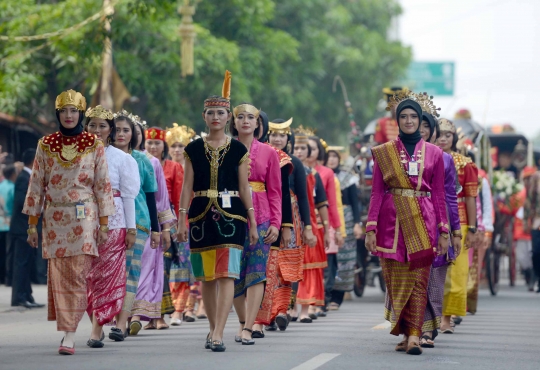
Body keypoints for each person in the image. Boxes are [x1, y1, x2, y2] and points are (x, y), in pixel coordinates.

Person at [23, 90, 115, 355]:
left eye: (74, 111)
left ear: (80, 114)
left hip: (85, 217)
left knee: (77, 274)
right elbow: (36, 185)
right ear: (57, 114)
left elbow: (102, 185)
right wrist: (32, 223)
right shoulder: (45, 144)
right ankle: (68, 329)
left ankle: (69, 336)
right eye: (64, 111)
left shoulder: (94, 144)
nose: (69, 115)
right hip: (53, 219)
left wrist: (105, 223)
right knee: (60, 276)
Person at [177, 71, 258, 352]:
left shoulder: (238, 150)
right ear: (204, 116)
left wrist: (253, 221)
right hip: (199, 216)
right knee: (206, 277)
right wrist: (181, 218)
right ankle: (213, 328)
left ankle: (219, 332)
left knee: (227, 275)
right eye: (211, 112)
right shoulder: (192, 149)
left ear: (228, 118)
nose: (216, 117)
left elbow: (244, 187)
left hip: (232, 217)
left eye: (221, 113)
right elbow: (186, 185)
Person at [365, 91, 449, 355]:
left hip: (424, 221)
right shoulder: (384, 153)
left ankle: (414, 335)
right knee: (396, 279)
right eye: (404, 116)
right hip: (390, 224)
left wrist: (444, 229)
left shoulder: (435, 153)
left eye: (414, 116)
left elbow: (438, 194)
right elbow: (377, 192)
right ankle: (404, 331)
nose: (410, 120)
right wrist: (371, 227)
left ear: (420, 119)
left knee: (419, 280)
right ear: (397, 120)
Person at [84, 105, 140, 348]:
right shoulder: (75, 154)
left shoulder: (122, 159)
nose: (97, 130)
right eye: (92, 125)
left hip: (115, 221)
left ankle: (96, 330)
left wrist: (131, 228)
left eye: (102, 126)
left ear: (110, 131)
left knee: (106, 275)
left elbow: (128, 196)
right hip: (82, 221)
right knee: (87, 276)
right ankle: (96, 319)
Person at [230, 103, 282, 344]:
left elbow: (275, 191)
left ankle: (250, 327)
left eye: (251, 117)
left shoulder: (270, 152)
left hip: (261, 219)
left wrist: (276, 223)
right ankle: (241, 321)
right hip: (231, 216)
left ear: (258, 123)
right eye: (240, 117)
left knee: (256, 272)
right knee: (232, 274)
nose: (245, 121)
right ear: (234, 121)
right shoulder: (225, 149)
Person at [110, 111, 160, 341]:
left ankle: (121, 323)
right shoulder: (101, 156)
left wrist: (157, 229)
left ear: (134, 134)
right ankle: (106, 318)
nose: (121, 134)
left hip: (138, 223)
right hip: (107, 222)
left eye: (126, 130)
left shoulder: (143, 160)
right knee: (110, 273)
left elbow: (151, 197)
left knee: (130, 273)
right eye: (117, 129)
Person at [265, 118, 316, 329]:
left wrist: (308, 227)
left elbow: (303, 198)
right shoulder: (261, 158)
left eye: (282, 135)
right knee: (268, 267)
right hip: (266, 215)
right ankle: (266, 313)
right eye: (274, 135)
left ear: (289, 139)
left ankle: (283, 310)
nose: (278, 139)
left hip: (292, 219)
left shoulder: (295, 163)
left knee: (287, 269)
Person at [417, 108, 461, 348]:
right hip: (408, 220)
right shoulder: (400, 155)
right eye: (416, 123)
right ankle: (410, 327)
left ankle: (429, 327)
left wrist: (455, 231)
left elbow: (451, 197)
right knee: (411, 275)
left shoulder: (444, 158)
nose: (421, 129)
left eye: (426, 126)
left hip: (437, 221)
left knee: (435, 272)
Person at [130, 122, 175, 332]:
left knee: (146, 267)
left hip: (147, 222)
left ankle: (137, 314)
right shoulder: (109, 157)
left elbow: (160, 198)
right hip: (118, 222)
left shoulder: (152, 162)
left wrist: (165, 228)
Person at [252, 114, 294, 334]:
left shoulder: (277, 156)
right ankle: (243, 320)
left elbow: (282, 194)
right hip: (238, 219)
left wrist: (285, 225)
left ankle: (258, 321)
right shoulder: (231, 149)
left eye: (256, 122)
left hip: (268, 220)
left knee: (265, 272)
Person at [436, 118, 478, 333]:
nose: (443, 139)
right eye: (440, 134)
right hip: (432, 218)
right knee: (434, 270)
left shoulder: (465, 163)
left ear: (454, 138)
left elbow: (470, 197)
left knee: (456, 272)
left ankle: (446, 317)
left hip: (457, 221)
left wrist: (472, 228)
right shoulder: (428, 158)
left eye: (448, 135)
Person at [145, 126, 184, 328]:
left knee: (163, 269)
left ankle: (159, 316)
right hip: (145, 220)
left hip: (166, 222)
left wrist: (177, 225)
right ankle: (150, 316)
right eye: (149, 142)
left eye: (157, 143)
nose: (152, 146)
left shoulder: (173, 167)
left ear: (163, 146)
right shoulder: (140, 162)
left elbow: (177, 199)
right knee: (147, 271)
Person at [294, 126, 331, 323]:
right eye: (296, 148)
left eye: (303, 148)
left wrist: (326, 229)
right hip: (288, 223)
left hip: (309, 224)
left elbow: (321, 203)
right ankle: (288, 307)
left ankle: (304, 310)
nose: (299, 152)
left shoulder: (313, 175)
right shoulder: (284, 169)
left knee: (308, 268)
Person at [165, 123, 197, 324]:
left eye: (181, 146)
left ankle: (184, 308)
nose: (177, 150)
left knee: (187, 266)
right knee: (172, 267)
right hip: (169, 222)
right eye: (173, 146)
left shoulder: (193, 169)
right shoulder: (163, 168)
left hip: (190, 221)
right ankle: (177, 306)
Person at [325, 147, 362, 310]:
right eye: (329, 156)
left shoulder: (348, 178)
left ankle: (337, 297)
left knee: (344, 260)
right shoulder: (318, 175)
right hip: (325, 219)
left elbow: (355, 203)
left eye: (335, 157)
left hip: (345, 220)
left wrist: (356, 223)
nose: (332, 159)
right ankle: (323, 294)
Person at [10, 149, 45, 308]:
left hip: (29, 227)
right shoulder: (24, 178)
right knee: (21, 263)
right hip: (22, 228)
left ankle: (27, 295)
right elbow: (20, 203)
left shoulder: (28, 176)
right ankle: (19, 297)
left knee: (28, 262)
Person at [524, 167, 540, 292]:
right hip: (537, 220)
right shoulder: (536, 177)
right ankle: (536, 275)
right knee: (536, 251)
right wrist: (526, 220)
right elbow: (530, 199)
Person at [0, 164, 16, 284]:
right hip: (9, 222)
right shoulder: (13, 187)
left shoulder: (1, 186)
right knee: (9, 252)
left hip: (0, 221)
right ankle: (8, 277)